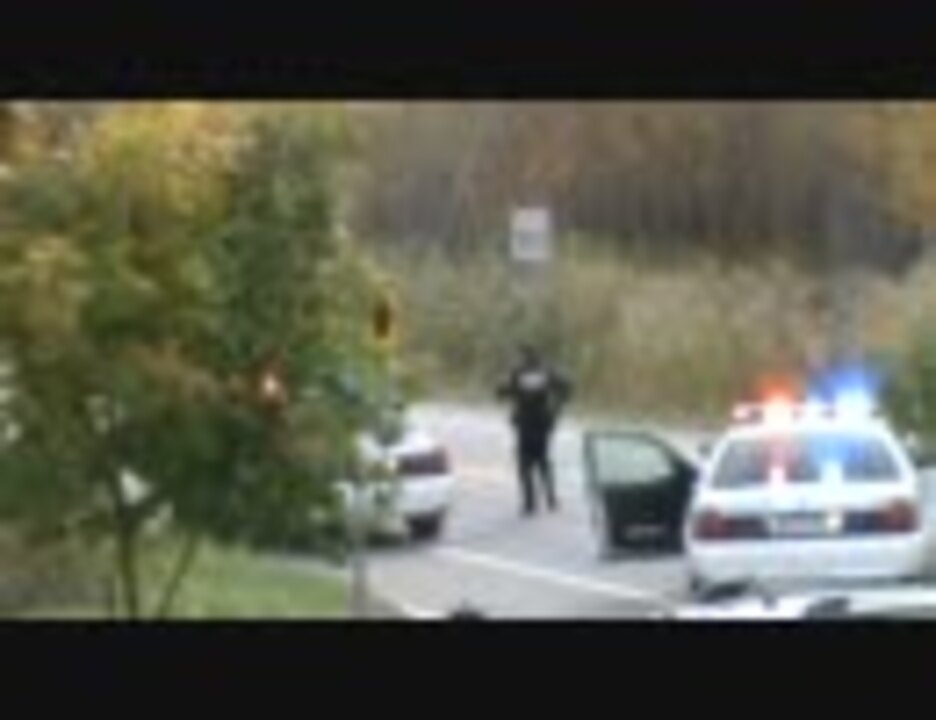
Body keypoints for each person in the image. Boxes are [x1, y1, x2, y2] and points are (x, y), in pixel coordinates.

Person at [496, 344, 572, 516]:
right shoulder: (547, 372)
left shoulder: (518, 373)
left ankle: (530, 502)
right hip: (543, 422)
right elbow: (567, 387)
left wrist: (502, 386)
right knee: (543, 460)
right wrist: (556, 410)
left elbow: (502, 392)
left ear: (525, 357)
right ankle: (551, 498)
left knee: (524, 463)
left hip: (525, 423)